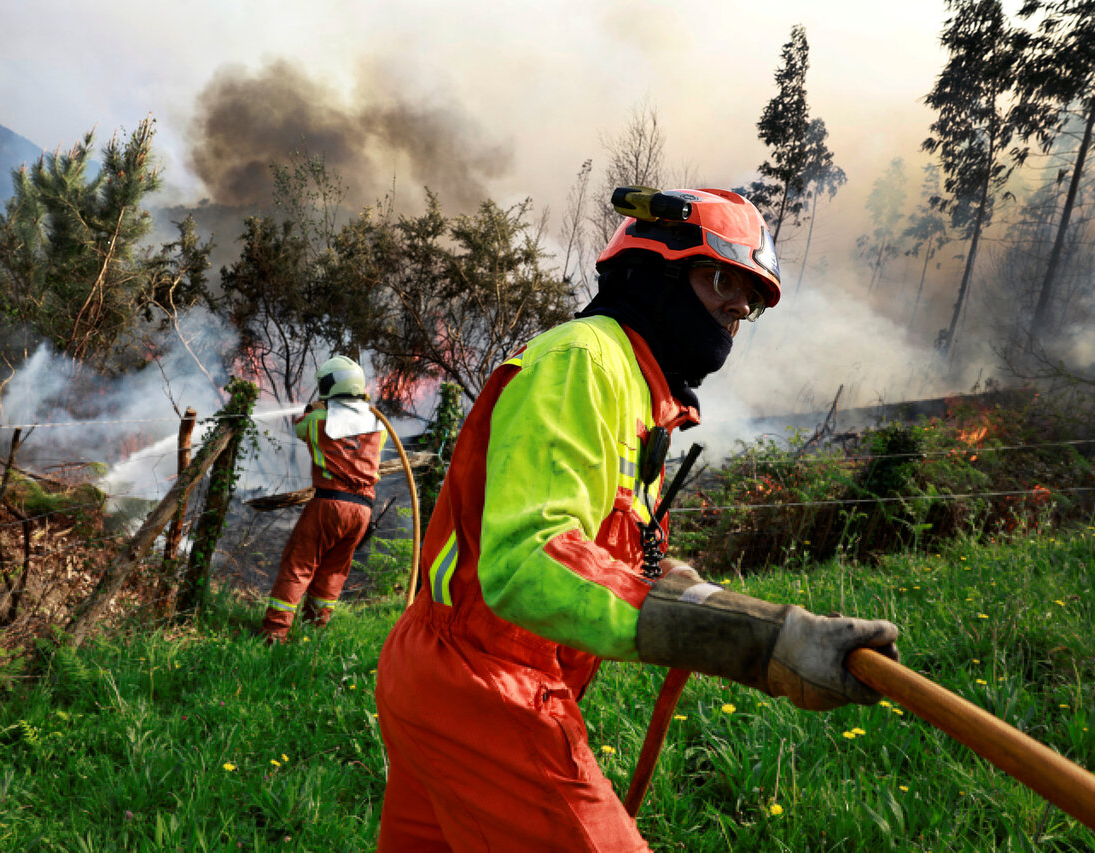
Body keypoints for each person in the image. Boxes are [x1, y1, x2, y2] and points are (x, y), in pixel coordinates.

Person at [373, 188, 900, 852]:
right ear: (655, 272)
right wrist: (760, 639)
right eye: (720, 280)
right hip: (489, 684)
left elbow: (603, 542)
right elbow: (526, 560)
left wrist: (675, 582)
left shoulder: (641, 393)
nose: (737, 308)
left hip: (444, 677)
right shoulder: (584, 361)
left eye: (751, 301)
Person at [259, 355, 386, 643]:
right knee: (334, 570)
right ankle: (314, 631)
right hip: (363, 511)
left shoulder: (317, 420)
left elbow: (301, 427)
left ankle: (274, 634)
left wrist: (315, 409)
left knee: (299, 565)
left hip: (330, 504)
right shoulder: (379, 426)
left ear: (328, 386)